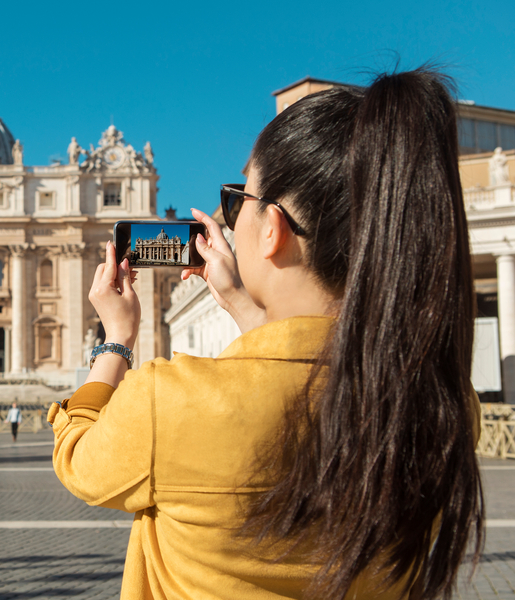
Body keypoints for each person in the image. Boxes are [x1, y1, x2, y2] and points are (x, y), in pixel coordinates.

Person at [49, 69, 483, 598]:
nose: (229, 220)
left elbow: (79, 459)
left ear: (273, 230)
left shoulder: (169, 401)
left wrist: (116, 339)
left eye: (236, 202)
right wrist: (243, 303)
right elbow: (305, 374)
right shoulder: (445, 405)